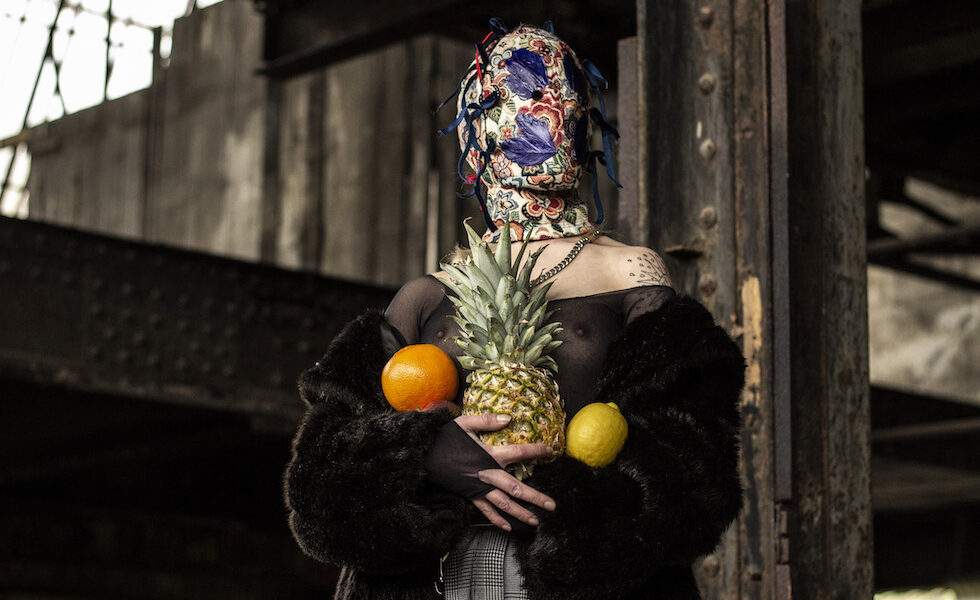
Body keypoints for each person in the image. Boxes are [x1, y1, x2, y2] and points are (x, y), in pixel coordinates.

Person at [283, 21, 745, 600]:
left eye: (565, 98)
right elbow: (319, 492)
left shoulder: (632, 273)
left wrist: (565, 505)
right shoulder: (427, 294)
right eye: (519, 100)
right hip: (434, 580)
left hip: (574, 581)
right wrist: (418, 453)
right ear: (477, 133)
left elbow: (695, 472)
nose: (549, 116)